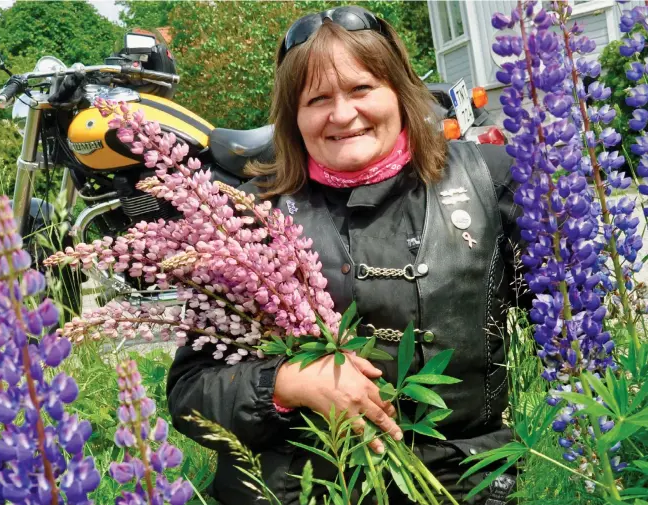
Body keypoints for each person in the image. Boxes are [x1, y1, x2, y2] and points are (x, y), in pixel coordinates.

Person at [167, 6, 523, 504]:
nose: (341, 114)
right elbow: (189, 395)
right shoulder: (247, 218)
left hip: (464, 479)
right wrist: (286, 382)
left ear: (398, 90)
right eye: (317, 99)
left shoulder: (489, 177)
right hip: (300, 486)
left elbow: (574, 329)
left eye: (361, 89)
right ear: (293, 115)